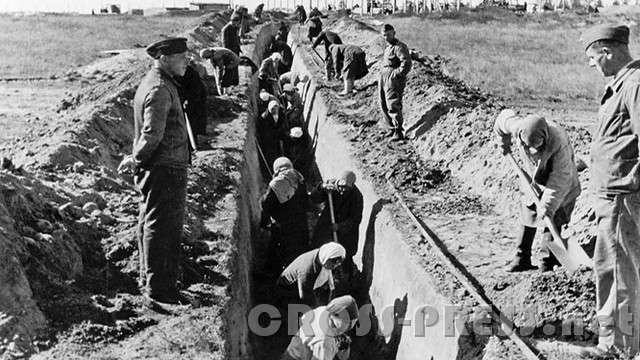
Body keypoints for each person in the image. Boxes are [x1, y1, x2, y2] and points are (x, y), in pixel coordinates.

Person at [117, 38, 190, 304]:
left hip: (162, 165)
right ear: (164, 57)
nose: (187, 60)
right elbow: (152, 133)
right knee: (164, 228)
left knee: (150, 221)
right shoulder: (159, 88)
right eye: (182, 56)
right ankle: (161, 290)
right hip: (165, 167)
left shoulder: (159, 83)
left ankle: (148, 279)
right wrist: (136, 159)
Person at [581, 24, 640, 355]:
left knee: (616, 273)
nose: (591, 64)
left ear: (609, 52)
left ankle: (617, 348)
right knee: (613, 270)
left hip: (622, 195)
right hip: (615, 192)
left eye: (592, 57)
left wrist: (629, 180)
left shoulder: (634, 84)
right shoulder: (622, 84)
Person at [494, 110, 581, 272]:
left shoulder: (559, 141)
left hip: (563, 183)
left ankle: (547, 263)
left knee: (555, 218)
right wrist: (503, 143)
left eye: (537, 147)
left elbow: (559, 180)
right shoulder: (516, 126)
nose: (533, 151)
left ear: (545, 139)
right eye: (528, 147)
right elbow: (501, 122)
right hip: (535, 179)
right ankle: (521, 258)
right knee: (528, 214)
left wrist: (547, 206)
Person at [261, 157, 311, 270]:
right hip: (301, 223)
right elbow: (305, 201)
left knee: (279, 249)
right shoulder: (299, 177)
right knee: (300, 250)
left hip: (284, 224)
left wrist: (265, 223)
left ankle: (273, 272)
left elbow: (265, 203)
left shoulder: (276, 183)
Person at [310, 171, 363, 273]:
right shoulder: (331, 186)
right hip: (327, 225)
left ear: (352, 186)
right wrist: (321, 188)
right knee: (320, 250)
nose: (342, 190)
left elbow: (356, 219)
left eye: (346, 188)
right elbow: (314, 199)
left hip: (345, 234)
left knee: (342, 257)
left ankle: (344, 279)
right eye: (341, 187)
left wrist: (339, 226)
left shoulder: (357, 197)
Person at [280, 295, 358, 360]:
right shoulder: (326, 343)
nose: (350, 326)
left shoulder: (324, 310)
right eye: (349, 323)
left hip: (294, 349)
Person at [277, 242, 346, 307]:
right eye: (334, 262)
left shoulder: (322, 257)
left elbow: (331, 288)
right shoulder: (307, 268)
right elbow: (305, 297)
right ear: (326, 257)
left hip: (308, 288)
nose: (335, 266)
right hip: (289, 291)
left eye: (338, 263)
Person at [378, 24, 411, 141]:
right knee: (383, 103)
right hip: (384, 76)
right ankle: (390, 128)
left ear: (394, 33)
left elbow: (406, 63)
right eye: (384, 35)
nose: (386, 37)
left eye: (388, 34)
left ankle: (398, 131)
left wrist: (396, 74)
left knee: (393, 103)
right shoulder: (388, 47)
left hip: (392, 78)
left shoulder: (400, 47)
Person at [175, 60, 208, 144]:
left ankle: (194, 141)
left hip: (198, 94)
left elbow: (193, 90)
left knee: (194, 117)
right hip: (192, 92)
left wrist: (187, 101)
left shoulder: (185, 72)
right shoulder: (176, 71)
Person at [257, 100, 288, 172]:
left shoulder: (281, 113)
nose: (275, 111)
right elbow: (263, 130)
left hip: (278, 136)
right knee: (270, 153)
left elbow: (283, 123)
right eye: (273, 109)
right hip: (269, 139)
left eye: (276, 108)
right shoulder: (264, 117)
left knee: (279, 150)